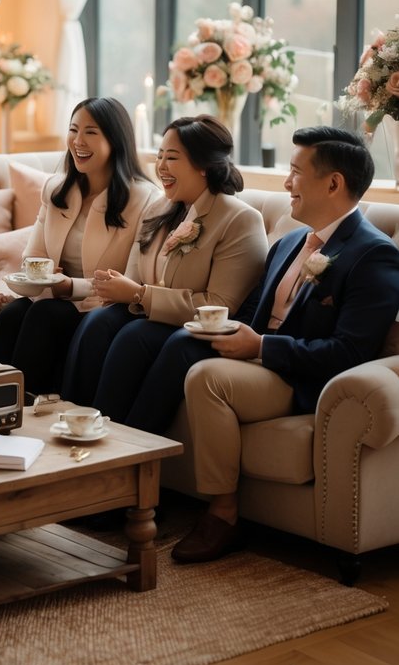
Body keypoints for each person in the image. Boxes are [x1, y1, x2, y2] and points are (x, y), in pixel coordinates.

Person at [169, 125, 399, 565]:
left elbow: (349, 353)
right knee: (171, 343)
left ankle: (223, 514)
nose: (286, 183)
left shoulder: (374, 255)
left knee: (206, 378)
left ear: (333, 183)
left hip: (301, 380)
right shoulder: (291, 242)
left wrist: (260, 349)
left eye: (295, 172)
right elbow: (253, 312)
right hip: (260, 362)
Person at [62, 114, 268, 419]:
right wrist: (117, 287)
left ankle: (114, 437)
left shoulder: (238, 219)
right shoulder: (159, 208)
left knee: (135, 337)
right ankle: (72, 419)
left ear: (203, 165)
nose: (161, 167)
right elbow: (134, 278)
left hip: (197, 330)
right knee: (98, 322)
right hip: (150, 315)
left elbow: (220, 305)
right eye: (159, 156)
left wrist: (139, 295)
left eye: (172, 158)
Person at [0, 97, 161, 395]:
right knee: (10, 316)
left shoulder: (144, 199)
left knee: (47, 316)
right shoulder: (56, 189)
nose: (78, 141)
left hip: (101, 307)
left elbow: (133, 279)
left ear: (114, 139)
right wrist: (30, 289)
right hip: (51, 299)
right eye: (73, 130)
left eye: (91, 132)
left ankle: (26, 414)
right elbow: (34, 259)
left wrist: (70, 287)